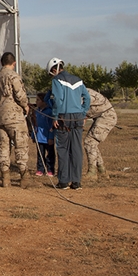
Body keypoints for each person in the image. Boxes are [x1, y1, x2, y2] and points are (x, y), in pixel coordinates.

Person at [47, 57, 90, 190]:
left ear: (54, 70)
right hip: (77, 118)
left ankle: (64, 181)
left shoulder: (56, 80)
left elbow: (58, 100)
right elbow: (87, 98)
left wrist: (55, 117)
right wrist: (83, 113)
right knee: (76, 149)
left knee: (63, 149)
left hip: (63, 117)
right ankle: (76, 182)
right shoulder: (78, 80)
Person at [0, 51, 31, 188]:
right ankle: (24, 176)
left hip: (0, 117)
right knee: (21, 146)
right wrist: (26, 106)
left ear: (1, 63)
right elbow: (20, 95)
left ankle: (5, 177)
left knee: (4, 147)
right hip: (14, 117)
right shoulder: (13, 76)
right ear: (14, 63)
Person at [84, 88, 117, 179]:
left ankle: (92, 172)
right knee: (92, 143)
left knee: (89, 142)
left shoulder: (84, 94)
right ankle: (102, 170)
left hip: (107, 117)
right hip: (100, 117)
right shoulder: (80, 91)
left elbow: (84, 109)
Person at [32, 92, 55, 177]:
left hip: (47, 137)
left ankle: (50, 170)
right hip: (39, 137)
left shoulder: (49, 112)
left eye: (38, 100)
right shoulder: (37, 111)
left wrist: (51, 137)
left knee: (50, 155)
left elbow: (52, 126)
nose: (36, 102)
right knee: (40, 154)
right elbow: (35, 125)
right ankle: (40, 169)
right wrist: (33, 136)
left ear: (44, 101)